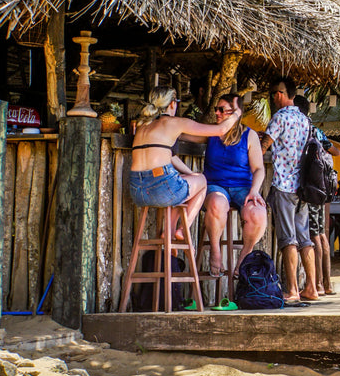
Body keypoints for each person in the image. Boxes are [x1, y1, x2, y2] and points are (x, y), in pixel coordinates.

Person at [129, 87, 237, 233]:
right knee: (203, 182)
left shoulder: (143, 125)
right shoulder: (175, 122)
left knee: (193, 180)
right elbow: (221, 131)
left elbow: (169, 156)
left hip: (137, 191)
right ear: (173, 104)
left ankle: (170, 231)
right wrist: (236, 114)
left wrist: (191, 174)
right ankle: (180, 230)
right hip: (161, 188)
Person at [259, 77, 318, 303]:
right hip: (302, 187)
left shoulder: (279, 118)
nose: (273, 97)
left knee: (288, 240)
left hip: (284, 185)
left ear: (282, 94)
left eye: (275, 92)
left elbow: (264, 145)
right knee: (305, 239)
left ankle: (293, 289)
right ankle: (311, 287)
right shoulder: (305, 120)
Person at [196, 93, 267, 277]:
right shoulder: (212, 132)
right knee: (217, 203)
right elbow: (185, 133)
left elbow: (259, 168)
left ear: (235, 113)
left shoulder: (249, 135)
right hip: (214, 186)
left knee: (258, 213)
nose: (217, 113)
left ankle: (244, 256)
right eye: (216, 109)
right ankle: (215, 252)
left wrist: (254, 191)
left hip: (242, 187)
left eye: (222, 110)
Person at [294, 95, 340, 296]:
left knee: (314, 234)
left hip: (309, 187)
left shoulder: (301, 129)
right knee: (321, 233)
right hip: (322, 188)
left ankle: (319, 284)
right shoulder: (317, 131)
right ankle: (327, 283)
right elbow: (337, 152)